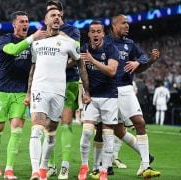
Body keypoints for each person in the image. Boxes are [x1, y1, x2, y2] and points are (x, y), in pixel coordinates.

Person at [91, 14, 161, 179]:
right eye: (124, 23)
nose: (127, 26)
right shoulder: (104, 42)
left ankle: (145, 166)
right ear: (114, 25)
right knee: (103, 130)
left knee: (140, 122)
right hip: (107, 90)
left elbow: (141, 61)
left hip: (126, 89)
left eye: (128, 24)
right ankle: (102, 166)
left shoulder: (130, 44)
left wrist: (145, 62)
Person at [24, 8, 82, 180]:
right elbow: (33, 68)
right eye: (53, 15)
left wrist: (85, 88)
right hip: (39, 89)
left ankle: (44, 167)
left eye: (59, 15)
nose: (57, 18)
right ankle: (36, 170)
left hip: (59, 90)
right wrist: (28, 92)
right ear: (46, 20)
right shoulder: (36, 41)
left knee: (51, 132)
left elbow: (79, 61)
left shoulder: (69, 40)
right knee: (37, 128)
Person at [0, 11, 46, 180]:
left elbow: (35, 66)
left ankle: (9, 169)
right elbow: (13, 51)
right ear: (14, 24)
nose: (25, 24)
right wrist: (32, 38)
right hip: (1, 91)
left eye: (27, 21)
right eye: (21, 21)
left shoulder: (33, 44)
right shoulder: (4, 39)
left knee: (17, 131)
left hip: (21, 92)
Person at [77, 20, 120, 180]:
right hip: (93, 97)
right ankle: (84, 166)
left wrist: (92, 60)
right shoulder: (84, 49)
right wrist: (86, 92)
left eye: (98, 31)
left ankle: (103, 171)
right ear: (89, 34)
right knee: (87, 132)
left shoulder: (111, 49)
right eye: (92, 31)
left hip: (109, 96)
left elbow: (112, 71)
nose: (95, 34)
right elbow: (83, 71)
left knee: (108, 135)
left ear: (103, 34)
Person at [44, 1, 81, 179]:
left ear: (61, 13)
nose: (54, 15)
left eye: (56, 12)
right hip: (49, 82)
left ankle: (65, 167)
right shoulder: (42, 35)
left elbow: (76, 54)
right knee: (49, 124)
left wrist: (58, 33)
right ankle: (50, 165)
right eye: (50, 12)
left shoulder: (73, 30)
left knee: (66, 121)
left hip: (69, 80)